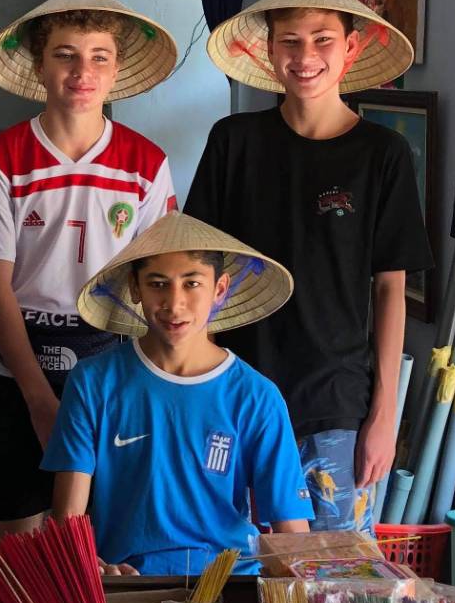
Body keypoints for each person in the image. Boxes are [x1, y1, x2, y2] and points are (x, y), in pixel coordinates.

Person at [186, 0, 430, 533]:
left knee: (336, 572)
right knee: (235, 563)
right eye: (290, 41)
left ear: (352, 48)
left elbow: (390, 289)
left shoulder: (382, 153)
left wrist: (384, 415)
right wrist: (197, 386)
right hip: (236, 389)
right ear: (268, 51)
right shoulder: (233, 141)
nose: (305, 57)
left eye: (323, 40)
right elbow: (199, 269)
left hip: (337, 399)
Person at [0, 0, 180, 533]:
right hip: (19, 364)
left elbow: (158, 280)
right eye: (65, 55)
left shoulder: (146, 163)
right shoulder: (1, 159)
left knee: (102, 537)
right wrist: (38, 399)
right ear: (39, 66)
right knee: (18, 537)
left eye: (99, 57)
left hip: (112, 364)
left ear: (116, 69)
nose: (82, 71)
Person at [45, 212, 310, 575]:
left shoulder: (256, 396)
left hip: (227, 585)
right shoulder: (93, 382)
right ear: (135, 288)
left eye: (192, 283)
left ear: (219, 289)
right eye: (158, 284)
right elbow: (68, 523)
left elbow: (292, 533)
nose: (174, 303)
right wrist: (91, 567)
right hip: (126, 582)